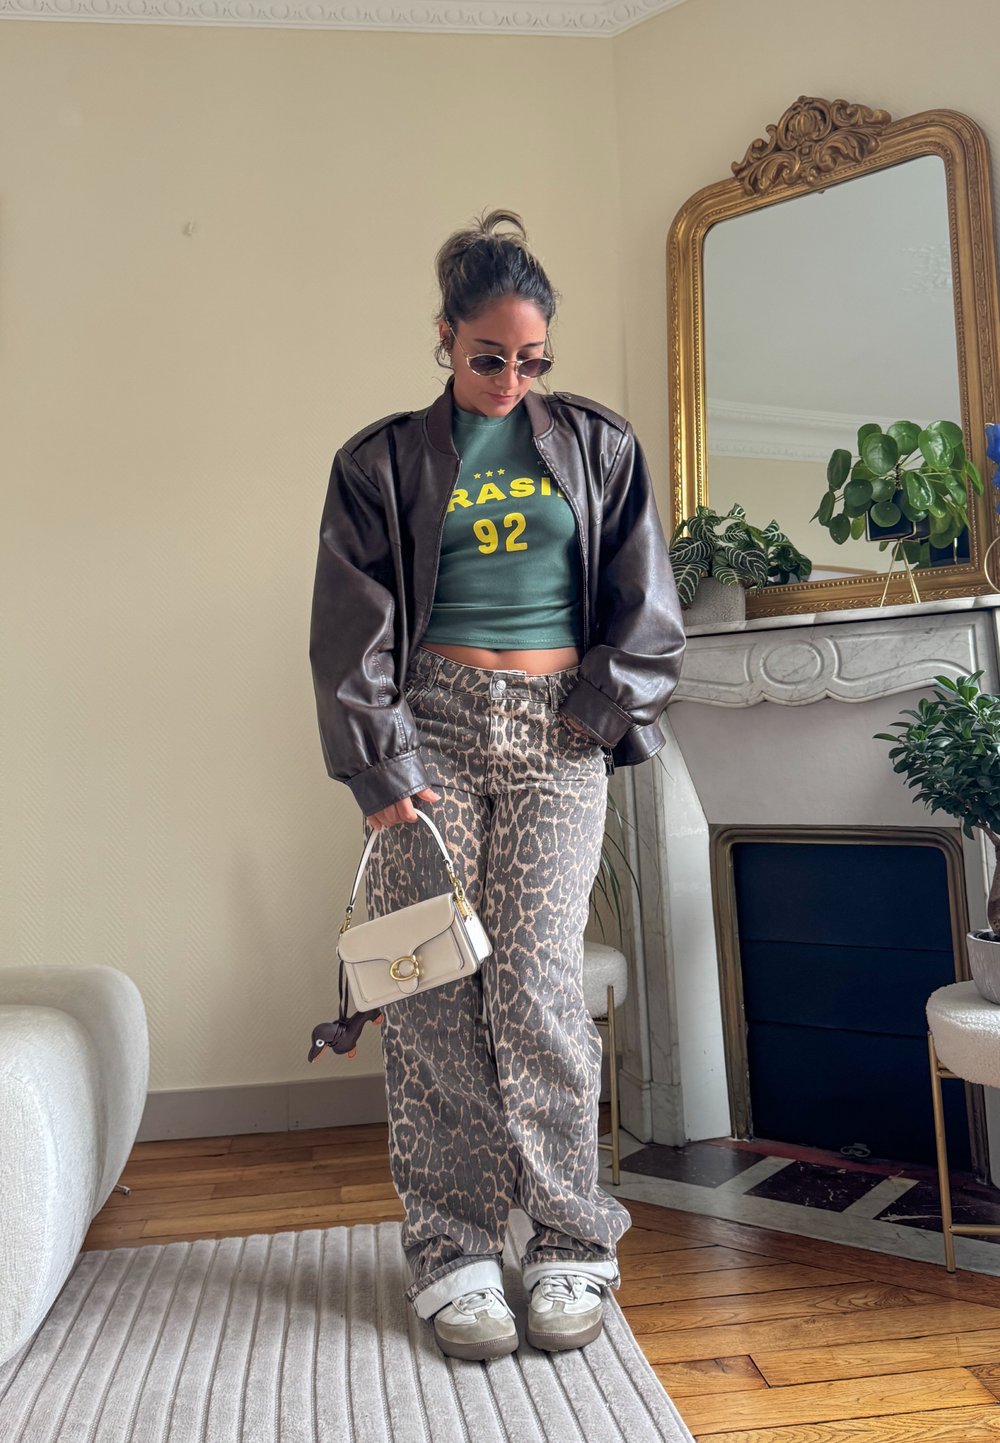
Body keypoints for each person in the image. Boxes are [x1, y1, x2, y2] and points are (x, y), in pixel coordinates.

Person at [309, 209, 686, 1361]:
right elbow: (348, 632)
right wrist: (380, 769)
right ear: (444, 336)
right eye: (488, 358)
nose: (510, 380)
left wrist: (593, 716)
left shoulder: (598, 445)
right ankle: (456, 1253)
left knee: (533, 985)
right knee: (429, 994)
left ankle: (571, 1237)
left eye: (532, 361)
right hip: (429, 735)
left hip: (560, 736)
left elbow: (646, 610)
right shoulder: (379, 460)